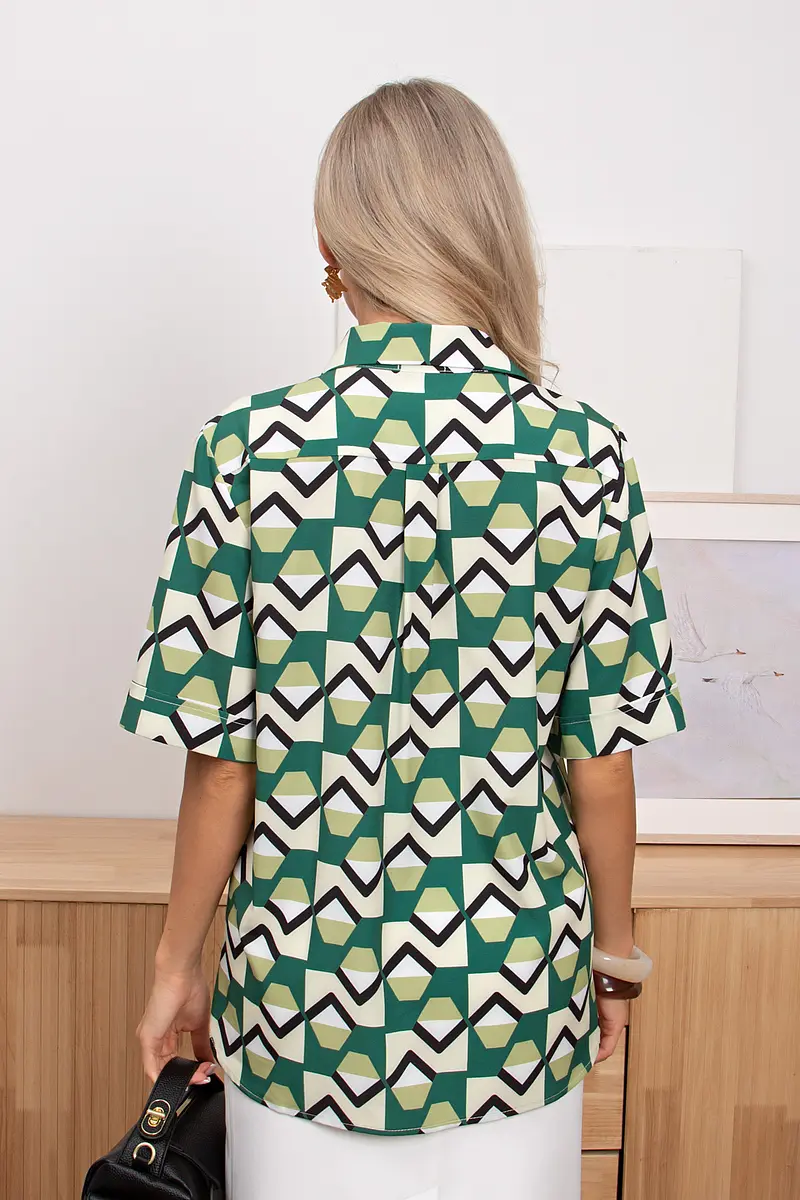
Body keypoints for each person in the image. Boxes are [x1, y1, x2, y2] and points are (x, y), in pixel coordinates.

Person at [123, 78, 685, 1200]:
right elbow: (603, 763)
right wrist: (614, 960)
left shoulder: (246, 450)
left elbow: (224, 764)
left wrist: (176, 966)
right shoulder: (584, 454)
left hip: (302, 1000)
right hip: (512, 996)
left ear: (332, 248)